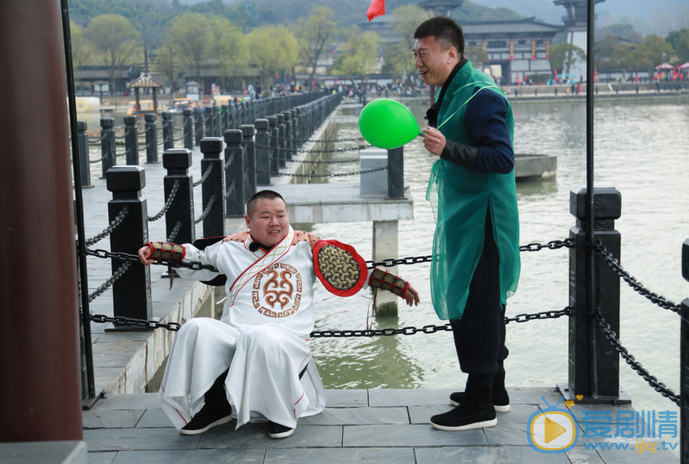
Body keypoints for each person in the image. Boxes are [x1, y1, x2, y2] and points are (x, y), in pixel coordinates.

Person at [138, 190, 420, 439]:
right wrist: (154, 250)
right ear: (248, 222)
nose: (275, 222)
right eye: (265, 216)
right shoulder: (230, 247)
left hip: (288, 338)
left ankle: (282, 412)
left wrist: (398, 285)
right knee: (197, 328)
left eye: (281, 215)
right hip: (237, 332)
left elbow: (356, 271)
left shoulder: (309, 248)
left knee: (260, 336)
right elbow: (192, 255)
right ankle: (216, 407)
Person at [413, 17, 521, 431]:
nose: (418, 63)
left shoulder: (478, 96)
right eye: (416, 55)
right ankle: (495, 388)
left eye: (424, 54)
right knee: (488, 301)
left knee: (477, 304)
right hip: (469, 212)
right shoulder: (455, 90)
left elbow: (502, 158)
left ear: (451, 53)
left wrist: (448, 148)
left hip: (484, 217)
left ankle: (479, 405)